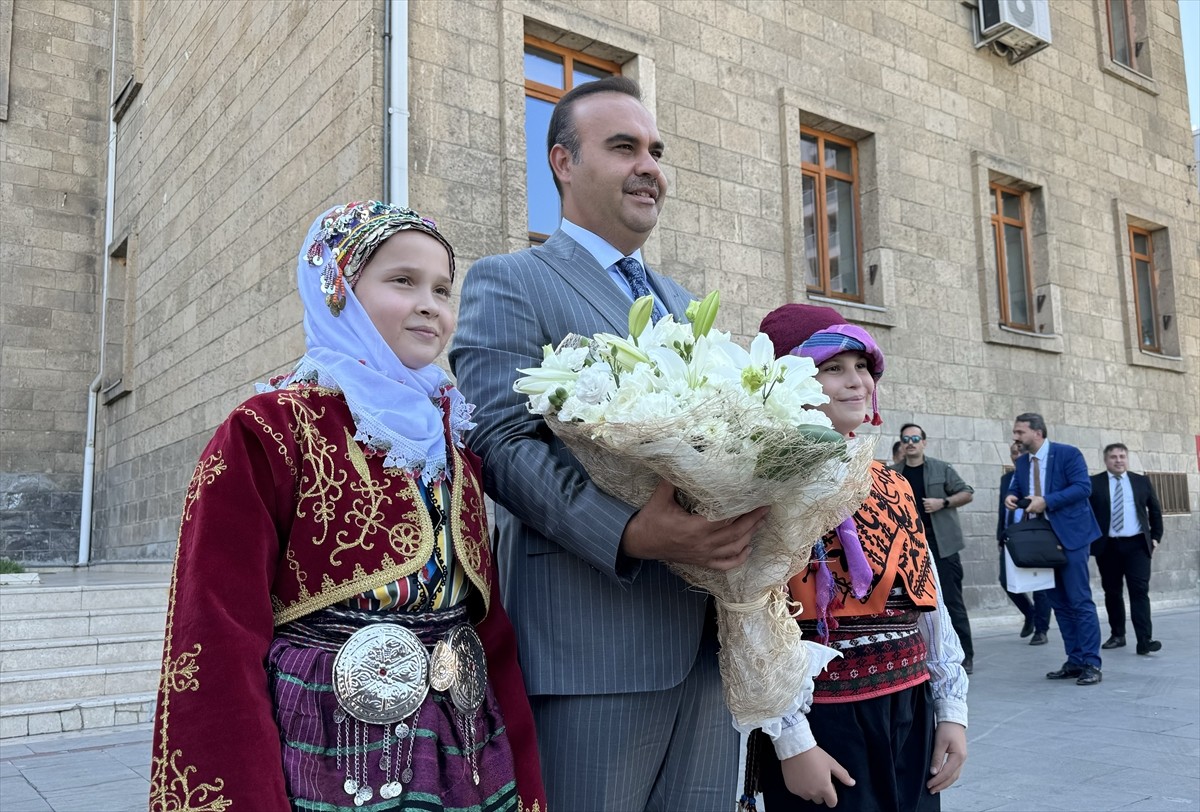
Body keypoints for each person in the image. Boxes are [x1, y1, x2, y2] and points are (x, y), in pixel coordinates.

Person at [148, 202, 546, 812]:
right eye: (402, 281)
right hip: (327, 738)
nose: (429, 304)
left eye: (443, 288)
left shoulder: (453, 439)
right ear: (338, 290)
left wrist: (524, 771)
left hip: (463, 740)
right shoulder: (271, 430)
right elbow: (216, 633)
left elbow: (486, 628)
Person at [450, 76, 765, 811]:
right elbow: (496, 440)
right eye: (623, 147)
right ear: (562, 161)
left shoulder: (687, 307)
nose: (648, 165)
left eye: (655, 150)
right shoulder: (512, 283)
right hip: (591, 648)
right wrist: (628, 532)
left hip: (708, 649)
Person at [749, 304, 968, 812]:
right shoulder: (762, 483)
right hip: (824, 719)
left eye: (862, 367)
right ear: (791, 382)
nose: (857, 382)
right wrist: (793, 741)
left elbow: (925, 597)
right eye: (833, 368)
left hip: (909, 707)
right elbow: (750, 618)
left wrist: (951, 707)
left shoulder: (889, 482)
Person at [1005, 413, 1103, 685]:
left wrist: (1046, 501)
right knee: (1058, 602)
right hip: (1043, 541)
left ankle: (1092, 663)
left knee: (1079, 600)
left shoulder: (1068, 454)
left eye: (1020, 432)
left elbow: (1083, 488)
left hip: (1072, 536)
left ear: (1037, 432)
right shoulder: (1023, 462)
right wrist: (1011, 497)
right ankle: (1074, 660)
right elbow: (1016, 486)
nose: (1016, 437)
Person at [890, 424, 976, 674]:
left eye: (915, 438)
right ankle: (922, 656)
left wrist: (943, 502)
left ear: (924, 442)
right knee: (913, 603)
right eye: (906, 439)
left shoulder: (941, 468)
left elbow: (967, 492)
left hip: (942, 545)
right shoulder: (893, 473)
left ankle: (966, 655)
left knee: (952, 601)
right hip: (908, 549)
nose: (910, 442)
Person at [1089, 443, 1165, 655]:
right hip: (1108, 546)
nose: (1118, 460)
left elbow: (1155, 511)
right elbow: (1086, 514)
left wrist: (1156, 537)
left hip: (1137, 545)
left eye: (1122, 456)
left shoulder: (1141, 481)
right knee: (1112, 591)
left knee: (1139, 591)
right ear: (1106, 460)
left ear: (1127, 458)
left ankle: (1144, 640)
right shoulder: (1094, 483)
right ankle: (1118, 634)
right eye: (1113, 457)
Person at [997, 440, 1051, 645]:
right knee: (1005, 580)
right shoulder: (1006, 479)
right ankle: (1030, 613)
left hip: (1036, 534)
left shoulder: (1037, 475)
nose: (1017, 455)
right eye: (1013, 452)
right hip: (1011, 535)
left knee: (1040, 584)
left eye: (1021, 451)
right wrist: (999, 536)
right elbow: (1001, 510)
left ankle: (1041, 630)